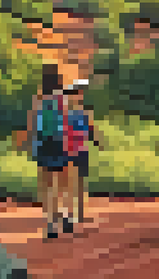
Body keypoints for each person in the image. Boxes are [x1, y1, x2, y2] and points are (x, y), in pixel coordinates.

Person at [28, 62, 73, 240]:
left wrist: (33, 144)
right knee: (61, 182)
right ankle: (63, 212)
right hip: (60, 142)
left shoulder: (38, 98)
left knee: (46, 185)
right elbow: (67, 122)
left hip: (43, 142)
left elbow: (32, 124)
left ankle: (50, 223)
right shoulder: (62, 97)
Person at [62, 78, 102, 229]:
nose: (79, 95)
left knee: (79, 183)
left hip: (81, 150)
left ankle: (79, 214)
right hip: (67, 150)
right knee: (68, 183)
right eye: (75, 93)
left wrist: (96, 142)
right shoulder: (65, 113)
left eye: (79, 93)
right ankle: (68, 213)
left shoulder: (85, 112)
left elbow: (90, 130)